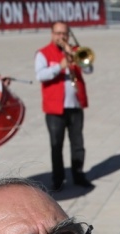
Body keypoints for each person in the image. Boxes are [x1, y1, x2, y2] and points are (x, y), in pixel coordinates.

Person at [35, 21, 94, 191]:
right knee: (56, 145)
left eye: (64, 34)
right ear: (52, 34)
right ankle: (58, 179)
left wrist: (73, 54)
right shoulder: (43, 53)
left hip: (75, 105)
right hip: (55, 108)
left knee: (78, 143)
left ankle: (78, 174)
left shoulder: (75, 51)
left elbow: (89, 69)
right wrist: (58, 67)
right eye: (58, 33)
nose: (61, 37)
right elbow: (40, 75)